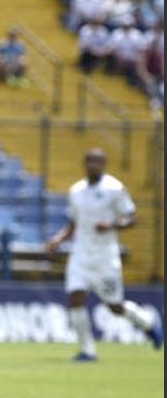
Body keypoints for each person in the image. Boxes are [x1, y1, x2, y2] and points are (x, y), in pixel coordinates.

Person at [45, 149, 164, 361]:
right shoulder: (76, 191)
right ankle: (87, 350)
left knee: (115, 306)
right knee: (75, 298)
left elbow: (131, 218)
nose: (93, 165)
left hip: (105, 258)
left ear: (104, 164)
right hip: (81, 256)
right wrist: (58, 239)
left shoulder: (114, 189)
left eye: (97, 162)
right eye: (90, 161)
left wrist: (111, 225)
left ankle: (147, 322)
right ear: (84, 163)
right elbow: (73, 223)